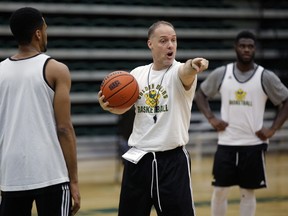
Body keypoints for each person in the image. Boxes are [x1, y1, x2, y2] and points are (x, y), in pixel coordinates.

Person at [98, 20, 209, 216]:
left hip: (172, 162)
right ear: (150, 44)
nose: (170, 45)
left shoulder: (179, 71)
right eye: (164, 40)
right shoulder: (136, 75)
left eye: (173, 40)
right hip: (138, 160)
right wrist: (108, 106)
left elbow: (187, 71)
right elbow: (124, 110)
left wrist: (194, 64)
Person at [195, 30, 288, 216]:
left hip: (253, 144)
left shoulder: (265, 76)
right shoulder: (223, 73)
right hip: (226, 143)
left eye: (250, 46)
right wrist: (211, 118)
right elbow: (200, 95)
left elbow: (286, 101)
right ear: (235, 48)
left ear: (255, 49)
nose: (246, 49)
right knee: (220, 190)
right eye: (242, 46)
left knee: (247, 192)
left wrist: (273, 129)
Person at [0, 7, 80, 216]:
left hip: (11, 174)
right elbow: (64, 128)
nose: (46, 33)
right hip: (50, 172)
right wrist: (74, 180)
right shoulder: (56, 69)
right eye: (45, 28)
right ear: (38, 33)